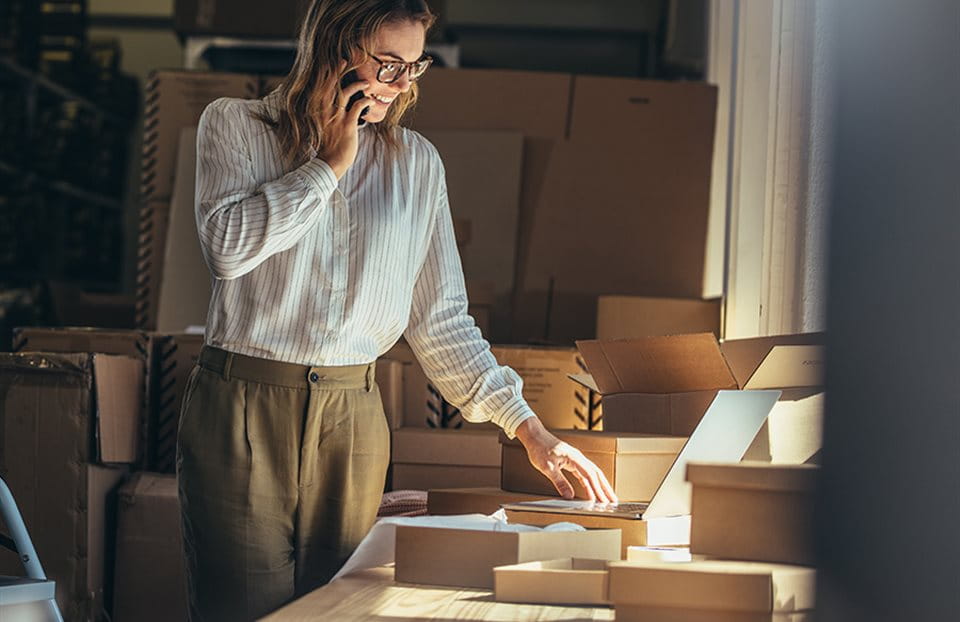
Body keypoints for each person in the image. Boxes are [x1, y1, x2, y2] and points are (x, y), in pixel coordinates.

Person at [176, 1, 617, 619]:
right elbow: (228, 250)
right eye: (388, 64)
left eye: (414, 66)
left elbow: (441, 321)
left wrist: (533, 432)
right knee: (243, 610)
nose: (402, 84)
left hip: (353, 418)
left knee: (342, 608)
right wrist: (329, 164)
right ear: (334, 48)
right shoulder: (237, 125)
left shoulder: (416, 165)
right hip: (242, 405)